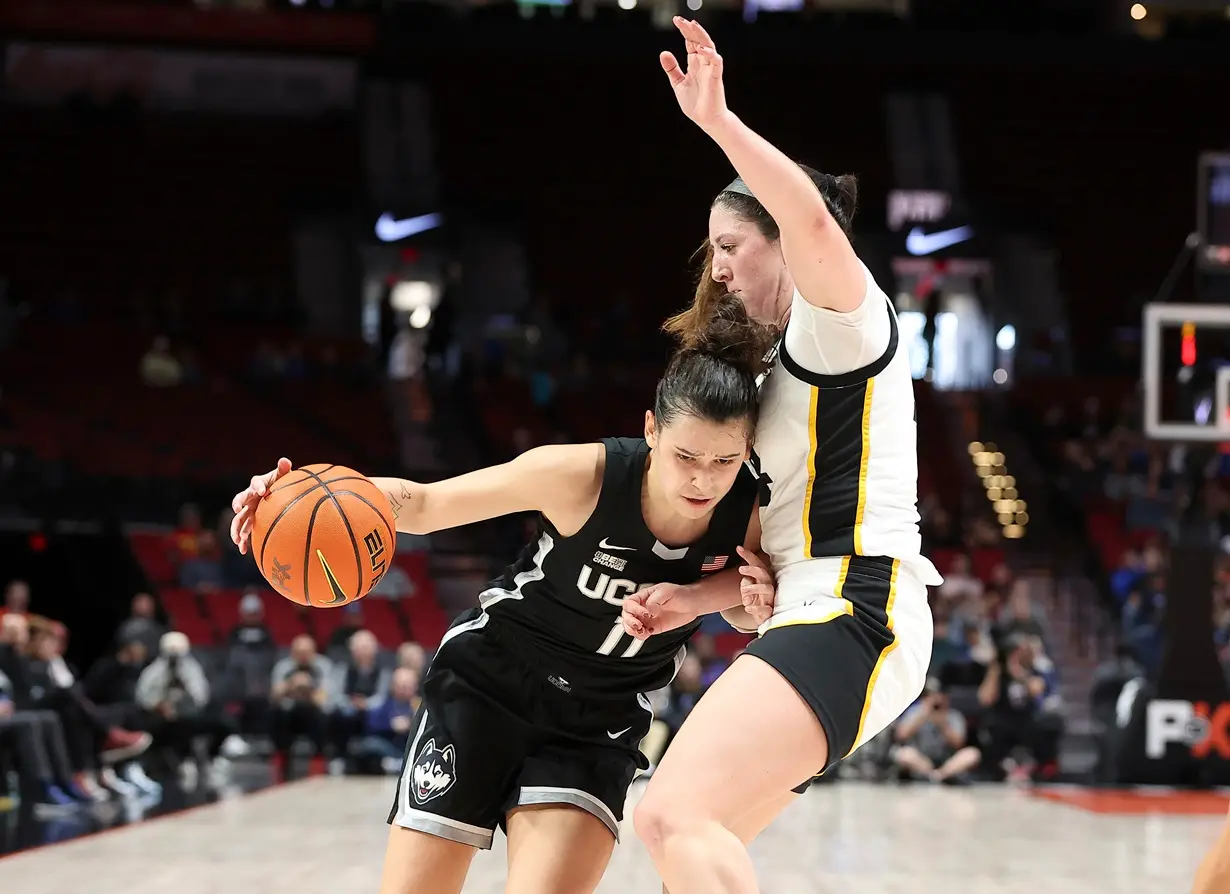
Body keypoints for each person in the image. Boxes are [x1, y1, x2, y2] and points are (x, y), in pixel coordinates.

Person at [228, 309, 778, 894]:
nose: (703, 480)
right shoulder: (579, 476)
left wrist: (708, 597)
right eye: (686, 457)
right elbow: (424, 504)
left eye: (724, 461)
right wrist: (300, 493)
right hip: (490, 683)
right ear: (651, 431)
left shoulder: (749, 510)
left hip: (598, 721)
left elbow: (744, 606)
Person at [619, 18, 942, 894]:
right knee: (692, 837)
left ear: (785, 243)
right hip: (819, 601)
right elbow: (772, 559)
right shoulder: (773, 374)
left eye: (730, 245)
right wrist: (697, 599)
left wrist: (718, 123)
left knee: (669, 813)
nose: (717, 269)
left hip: (859, 605)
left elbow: (804, 212)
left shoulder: (842, 319)